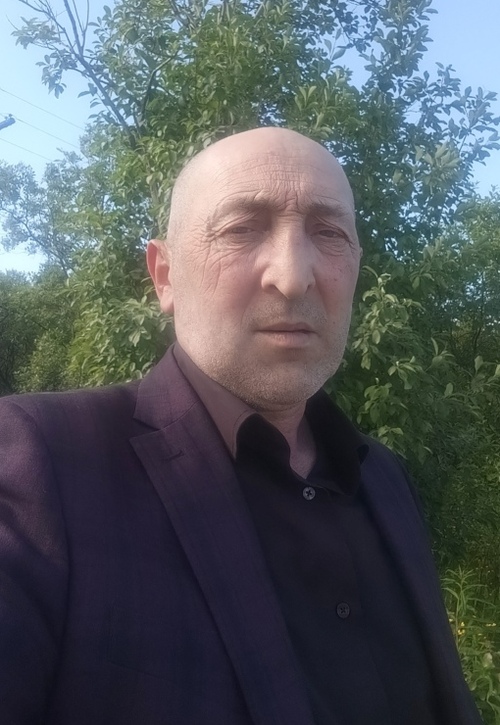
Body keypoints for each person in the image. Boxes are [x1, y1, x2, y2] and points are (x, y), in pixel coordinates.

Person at [0, 127, 481, 725]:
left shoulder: (385, 478)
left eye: (329, 233)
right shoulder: (40, 462)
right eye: (241, 229)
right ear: (165, 277)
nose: (293, 276)